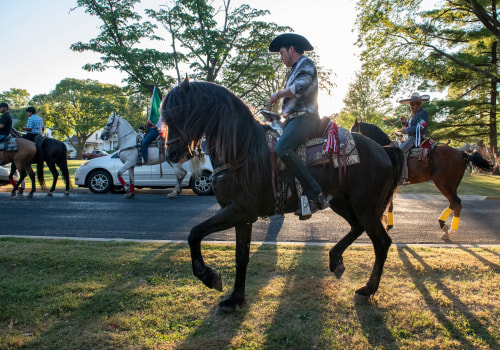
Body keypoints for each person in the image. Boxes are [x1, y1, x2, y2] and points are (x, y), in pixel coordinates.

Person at [268, 33, 329, 218]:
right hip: (292, 120)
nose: (280, 57)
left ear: (291, 49)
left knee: (283, 148)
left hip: (305, 118)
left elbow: (301, 87)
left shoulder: (305, 64)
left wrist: (277, 95)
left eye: (281, 53)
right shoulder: (294, 69)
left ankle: (316, 193)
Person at [398, 92, 430, 184]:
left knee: (401, 151)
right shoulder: (412, 115)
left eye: (413, 104)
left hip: (416, 138)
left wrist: (406, 131)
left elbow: (420, 127)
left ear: (418, 104)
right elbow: (409, 126)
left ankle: (403, 177)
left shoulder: (422, 114)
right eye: (410, 104)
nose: (411, 106)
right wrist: (404, 123)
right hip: (410, 137)